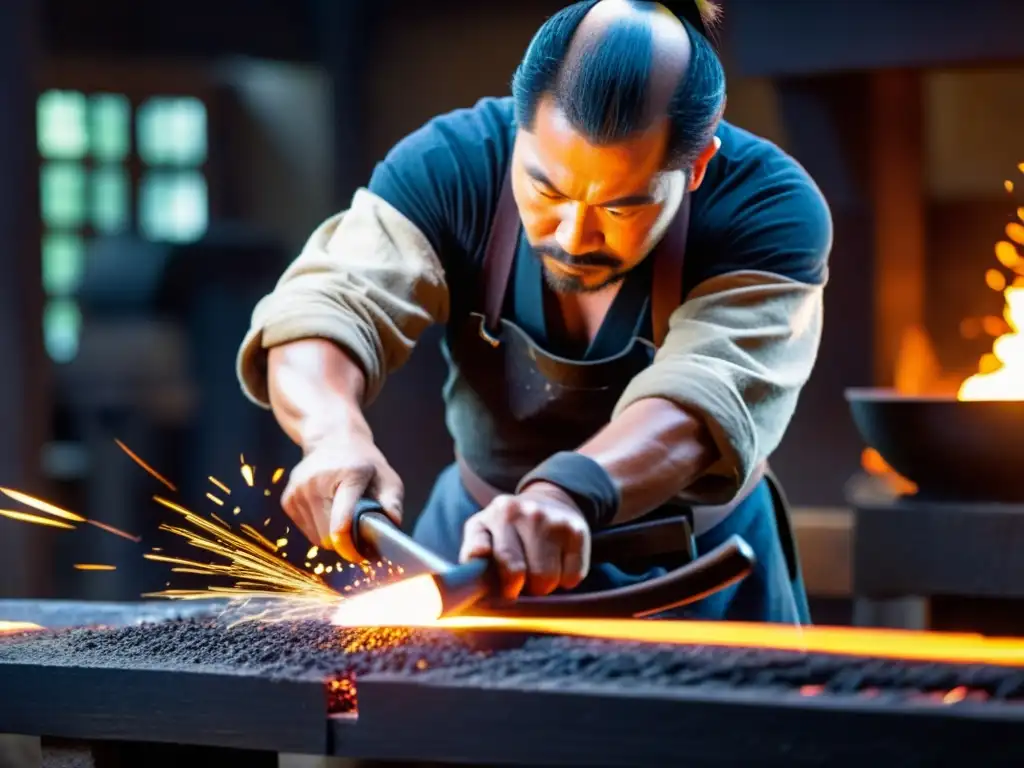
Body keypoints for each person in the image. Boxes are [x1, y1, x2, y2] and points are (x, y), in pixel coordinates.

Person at [236, 0, 831, 624]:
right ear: (520, 128)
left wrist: (568, 493)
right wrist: (333, 436)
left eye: (622, 208)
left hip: (701, 581)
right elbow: (328, 305)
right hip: (466, 566)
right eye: (546, 190)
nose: (575, 236)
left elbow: (704, 397)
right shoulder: (451, 166)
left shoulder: (768, 207)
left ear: (698, 164)